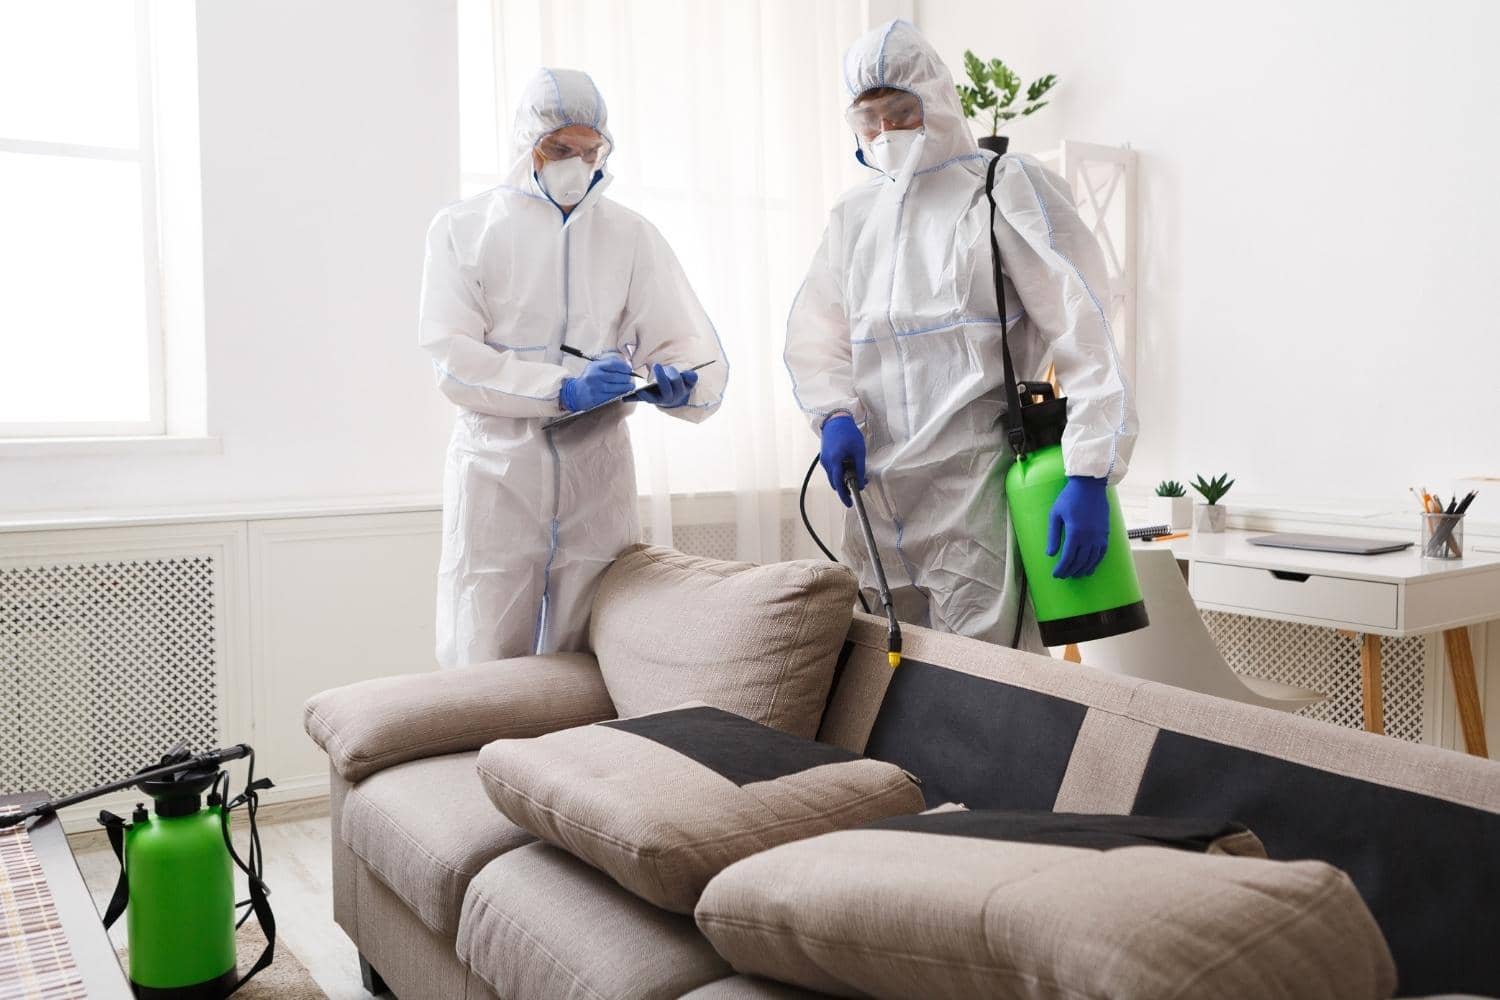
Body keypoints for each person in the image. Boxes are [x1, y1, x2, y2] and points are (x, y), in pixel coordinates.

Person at [784, 21, 1136, 649]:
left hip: (971, 493)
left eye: (901, 111)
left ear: (938, 102)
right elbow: (819, 334)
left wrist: (1087, 473)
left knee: (987, 687)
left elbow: (1085, 332)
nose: (886, 132)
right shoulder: (853, 216)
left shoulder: (1000, 188)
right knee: (878, 678)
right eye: (870, 118)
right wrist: (833, 414)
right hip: (876, 495)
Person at [420, 67, 727, 667]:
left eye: (591, 151)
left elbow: (683, 340)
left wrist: (678, 382)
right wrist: (560, 389)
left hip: (596, 476)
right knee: (485, 650)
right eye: (559, 148)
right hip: (498, 472)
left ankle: (575, 764)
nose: (576, 164)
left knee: (590, 653)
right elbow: (455, 361)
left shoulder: (629, 236)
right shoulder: (463, 230)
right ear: (525, 143)